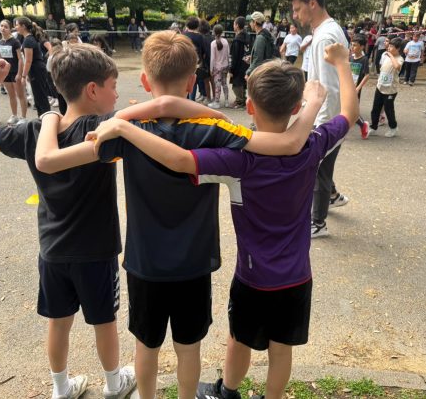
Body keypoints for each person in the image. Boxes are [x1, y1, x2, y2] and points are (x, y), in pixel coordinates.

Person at [35, 31, 325, 399]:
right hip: (194, 262)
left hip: (145, 263)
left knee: (146, 346)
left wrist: (55, 118)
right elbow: (284, 143)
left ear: (145, 81)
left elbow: (50, 161)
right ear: (192, 81)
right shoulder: (214, 130)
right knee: (189, 349)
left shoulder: (126, 131)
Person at [0, 43, 234, 399]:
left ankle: (66, 387)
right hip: (135, 255)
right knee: (141, 333)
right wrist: (207, 114)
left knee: (87, 330)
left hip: (83, 255)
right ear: (93, 89)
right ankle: (117, 383)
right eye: (113, 86)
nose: (117, 94)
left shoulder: (60, 131)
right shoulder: (116, 128)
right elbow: (168, 111)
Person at [290, 0, 349, 238]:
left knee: (316, 170)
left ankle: (318, 222)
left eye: (297, 9)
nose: (295, 15)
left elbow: (329, 88)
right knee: (324, 168)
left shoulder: (325, 35)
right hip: (330, 117)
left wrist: (320, 130)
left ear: (312, 3)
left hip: (326, 119)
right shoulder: (326, 31)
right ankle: (332, 196)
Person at [15, 16, 51, 118]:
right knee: (38, 95)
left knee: (40, 95)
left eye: (17, 25)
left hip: (36, 69)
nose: (15, 27)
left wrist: (23, 76)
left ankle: (45, 117)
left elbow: (28, 60)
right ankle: (42, 117)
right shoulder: (28, 38)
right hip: (36, 69)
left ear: (23, 26)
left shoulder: (28, 40)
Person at [369, 37, 404, 137]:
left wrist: (391, 55)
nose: (389, 48)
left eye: (392, 46)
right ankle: (373, 127)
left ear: (398, 49)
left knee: (389, 110)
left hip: (390, 90)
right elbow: (382, 68)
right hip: (380, 87)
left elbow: (397, 66)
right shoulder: (385, 55)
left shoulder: (399, 59)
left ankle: (393, 128)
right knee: (375, 109)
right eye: (389, 46)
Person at [0, 19, 27, 125]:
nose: (3, 28)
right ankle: (14, 115)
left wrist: (19, 73)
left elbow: (20, 59)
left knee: (20, 95)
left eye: (6, 27)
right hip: (6, 73)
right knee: (11, 95)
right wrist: (0, 73)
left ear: (10, 29)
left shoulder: (15, 42)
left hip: (15, 72)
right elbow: (0, 59)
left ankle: (23, 117)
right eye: (1, 26)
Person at [349, 33, 370, 139]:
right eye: (351, 45)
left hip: (355, 89)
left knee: (352, 111)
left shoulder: (364, 59)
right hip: (346, 87)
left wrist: (358, 88)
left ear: (362, 47)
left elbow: (367, 75)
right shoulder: (350, 58)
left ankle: (363, 125)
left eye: (355, 45)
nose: (352, 47)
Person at [183, 16, 207, 102]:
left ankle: (185, 100)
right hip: (196, 63)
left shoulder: (183, 35)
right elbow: (203, 51)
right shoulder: (200, 37)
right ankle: (191, 101)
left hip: (184, 62)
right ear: (197, 26)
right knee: (193, 82)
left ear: (187, 25)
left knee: (185, 81)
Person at [245, 11, 275, 78]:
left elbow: (258, 59)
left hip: (261, 74)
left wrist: (248, 73)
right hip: (266, 70)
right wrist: (251, 57)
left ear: (255, 22)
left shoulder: (260, 38)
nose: (250, 23)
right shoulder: (266, 34)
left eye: (250, 21)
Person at [229, 16, 250, 109]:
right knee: (243, 83)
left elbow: (234, 56)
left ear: (237, 25)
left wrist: (231, 69)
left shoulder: (237, 40)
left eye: (234, 23)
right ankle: (242, 99)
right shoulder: (247, 36)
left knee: (236, 85)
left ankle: (240, 101)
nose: (233, 25)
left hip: (238, 66)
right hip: (246, 63)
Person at [208, 24, 229, 109]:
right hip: (225, 65)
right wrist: (228, 65)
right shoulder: (226, 41)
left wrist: (211, 69)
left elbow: (212, 58)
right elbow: (228, 54)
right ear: (222, 32)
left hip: (217, 67)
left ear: (214, 32)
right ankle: (226, 101)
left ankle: (217, 102)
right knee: (224, 84)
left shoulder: (213, 43)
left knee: (217, 85)